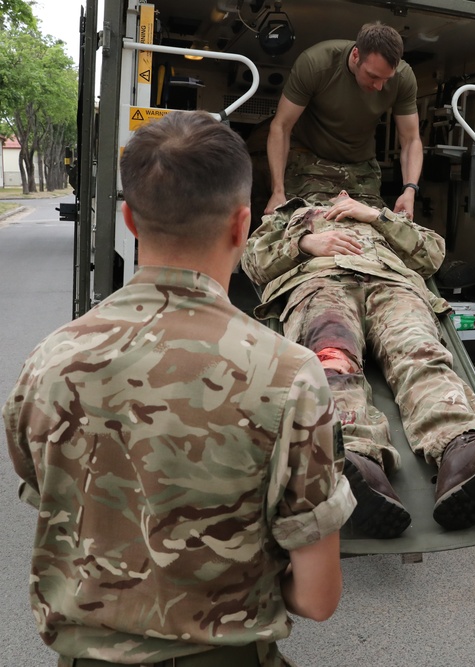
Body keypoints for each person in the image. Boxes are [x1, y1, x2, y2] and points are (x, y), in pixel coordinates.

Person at [3, 111, 356, 667]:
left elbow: (54, 502)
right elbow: (317, 597)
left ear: (130, 220)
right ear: (242, 225)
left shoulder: (49, 362)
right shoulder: (291, 375)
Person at [243, 190, 475, 538]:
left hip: (393, 285)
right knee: (333, 363)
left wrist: (377, 217)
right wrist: (305, 243)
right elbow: (252, 262)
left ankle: (459, 452)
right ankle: (356, 459)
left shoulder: (380, 215)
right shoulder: (287, 217)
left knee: (421, 354)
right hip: (320, 282)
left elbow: (432, 256)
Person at [265, 22, 423, 218]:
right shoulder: (316, 64)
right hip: (310, 158)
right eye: (372, 76)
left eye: (387, 79)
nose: (380, 87)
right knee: (310, 223)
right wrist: (277, 192)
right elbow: (281, 127)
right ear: (356, 55)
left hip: (360, 165)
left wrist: (410, 190)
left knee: (371, 226)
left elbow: (411, 139)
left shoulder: (404, 78)